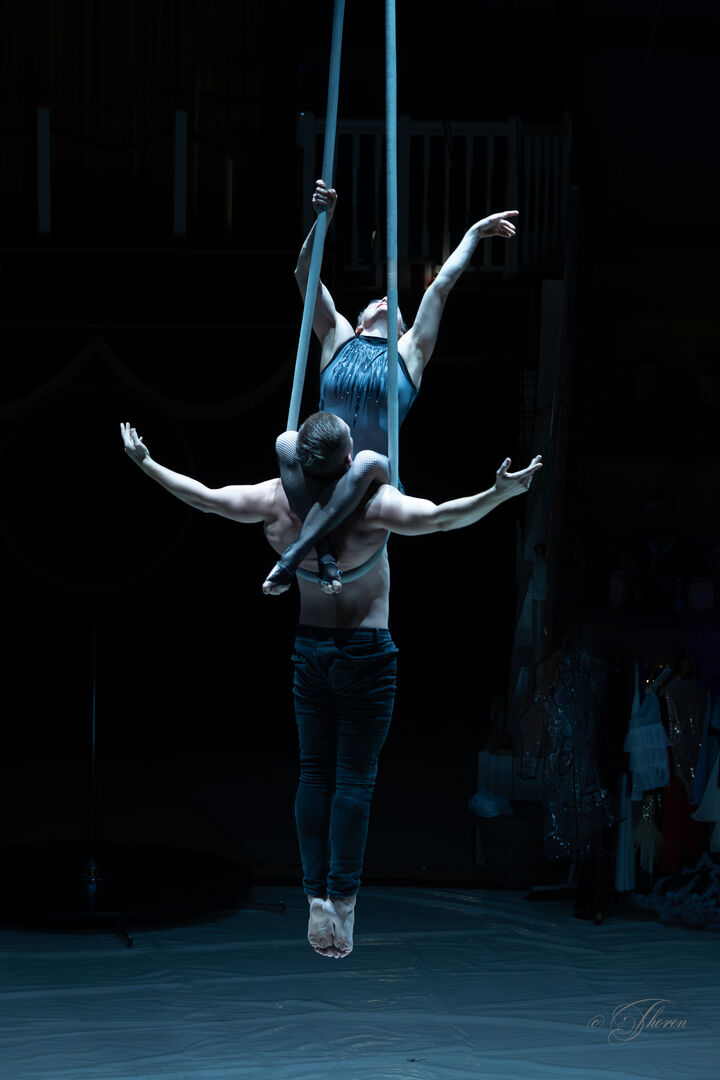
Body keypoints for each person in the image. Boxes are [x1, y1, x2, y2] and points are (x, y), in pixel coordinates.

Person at [120, 415, 541, 958]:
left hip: (311, 649)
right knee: (354, 781)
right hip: (366, 652)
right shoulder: (374, 504)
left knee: (315, 775)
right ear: (347, 460)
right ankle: (342, 899)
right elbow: (441, 518)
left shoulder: (275, 501)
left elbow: (205, 498)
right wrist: (499, 493)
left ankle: (315, 895)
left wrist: (148, 464)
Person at [262, 179, 520, 595]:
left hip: (373, 478)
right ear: (359, 322)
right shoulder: (338, 337)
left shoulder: (410, 352)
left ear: (402, 329)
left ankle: (299, 553)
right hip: (321, 471)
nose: (385, 300)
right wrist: (322, 220)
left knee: (367, 462)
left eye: (392, 304)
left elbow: (441, 286)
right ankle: (323, 550)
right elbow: (303, 274)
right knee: (286, 442)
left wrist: (474, 234)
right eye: (375, 302)